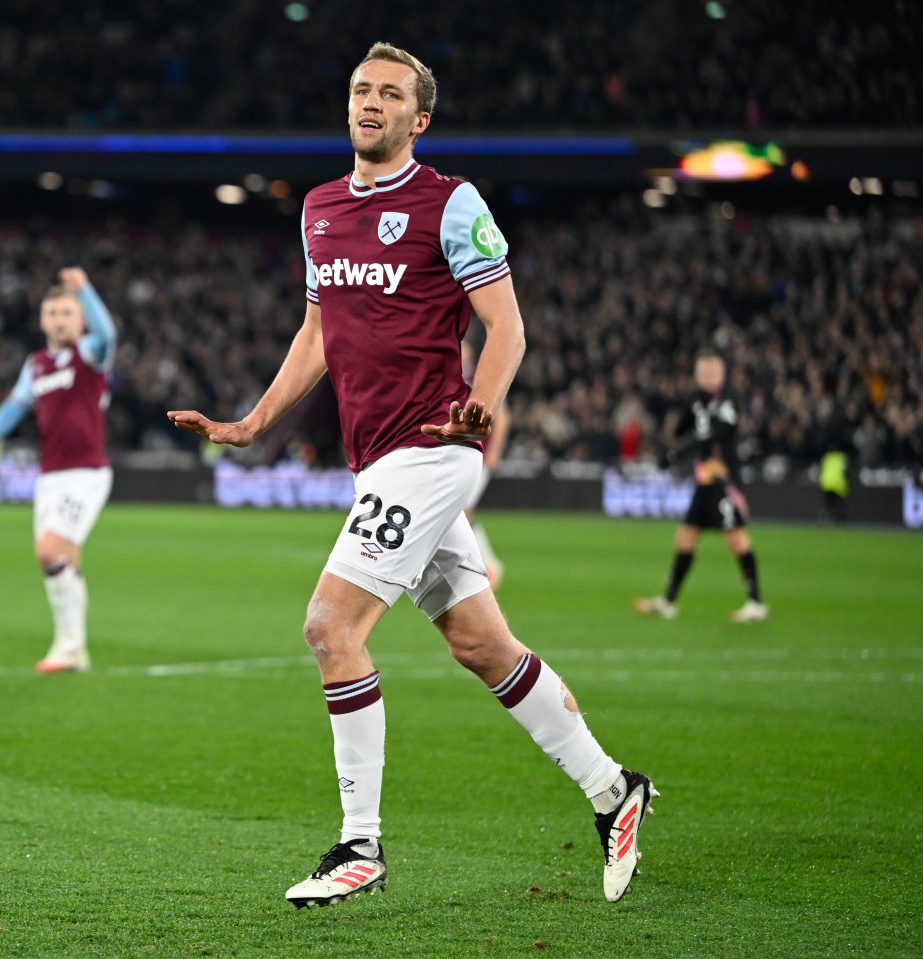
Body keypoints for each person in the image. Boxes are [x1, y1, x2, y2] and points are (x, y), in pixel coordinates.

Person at [169, 42, 657, 908]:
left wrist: (483, 403)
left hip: (432, 449)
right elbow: (318, 336)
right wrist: (253, 421)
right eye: (361, 89)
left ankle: (361, 844)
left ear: (418, 119)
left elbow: (506, 327)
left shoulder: (450, 205)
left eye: (390, 94)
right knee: (482, 645)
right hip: (376, 460)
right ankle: (615, 790)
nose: (371, 102)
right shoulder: (319, 208)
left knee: (329, 626)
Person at [0, 268, 116, 671]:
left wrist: (86, 290)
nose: (59, 319)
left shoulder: (89, 353)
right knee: (65, 560)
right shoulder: (35, 364)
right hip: (50, 475)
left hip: (87, 472)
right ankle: (78, 649)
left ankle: (67, 645)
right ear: (41, 319)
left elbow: (108, 336)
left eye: (67, 312)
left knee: (48, 550)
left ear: (80, 319)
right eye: (52, 312)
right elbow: (14, 407)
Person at [635, 350, 767, 623]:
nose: (708, 378)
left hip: (723, 479)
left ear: (723, 374)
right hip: (704, 480)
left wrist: (676, 456)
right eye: (704, 373)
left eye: (713, 373)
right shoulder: (694, 400)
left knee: (737, 539)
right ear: (697, 374)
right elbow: (683, 429)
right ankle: (669, 601)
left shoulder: (730, 400)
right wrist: (679, 421)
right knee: (685, 537)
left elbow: (714, 436)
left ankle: (756, 603)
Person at [461, 337, 510, 590]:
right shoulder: (454, 380)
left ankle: (489, 564)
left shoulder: (479, 378)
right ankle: (481, 564)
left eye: (464, 347)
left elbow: (502, 417)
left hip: (478, 456)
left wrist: (495, 452)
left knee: (462, 509)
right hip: (463, 456)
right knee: (460, 511)